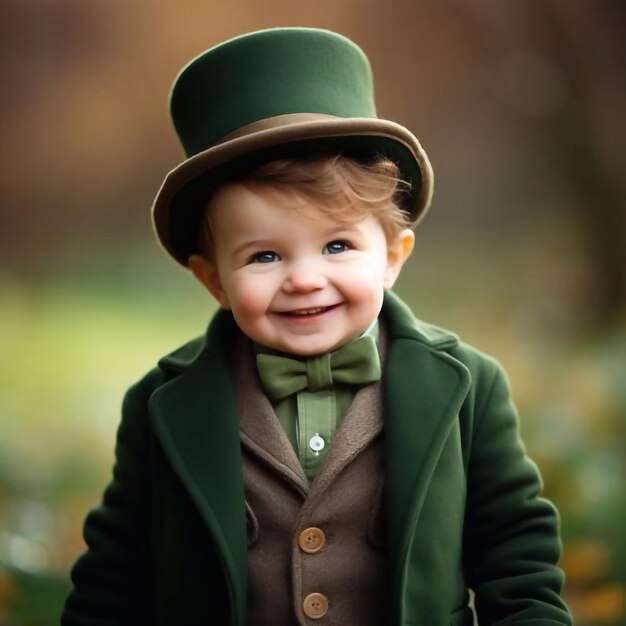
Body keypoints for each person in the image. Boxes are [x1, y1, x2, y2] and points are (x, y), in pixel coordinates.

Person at [61, 27, 572, 626]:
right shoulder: (161, 405)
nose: (304, 279)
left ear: (392, 257)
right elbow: (113, 579)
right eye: (265, 256)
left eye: (336, 245)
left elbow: (519, 558)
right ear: (214, 281)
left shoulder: (469, 387)